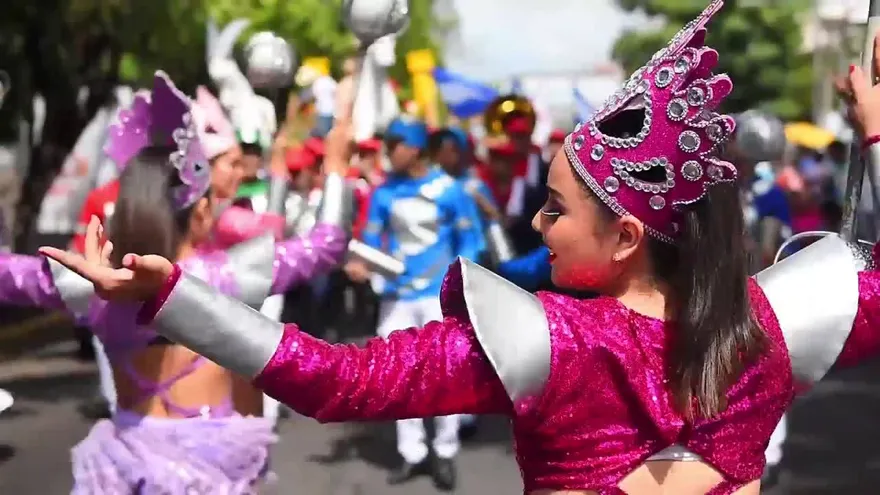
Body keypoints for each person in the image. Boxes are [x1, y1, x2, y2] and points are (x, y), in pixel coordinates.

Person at [40, 7, 880, 493]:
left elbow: (339, 381)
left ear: (626, 236)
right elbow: (870, 284)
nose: (539, 226)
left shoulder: (552, 342)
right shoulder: (766, 326)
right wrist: (874, 136)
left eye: (555, 209)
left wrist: (170, 294)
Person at [1, 72, 351, 493]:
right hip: (213, 464)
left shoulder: (93, 282)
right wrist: (335, 166)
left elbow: (6, 274)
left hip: (125, 462)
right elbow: (327, 244)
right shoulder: (226, 277)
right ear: (201, 212)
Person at [344, 117, 483, 490]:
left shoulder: (450, 191)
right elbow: (371, 240)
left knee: (448, 373)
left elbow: (471, 243)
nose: (389, 155)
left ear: (416, 148)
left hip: (440, 296)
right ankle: (412, 452)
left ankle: (445, 450)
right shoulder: (384, 193)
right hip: (397, 296)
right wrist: (362, 263)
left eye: (395, 147)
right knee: (398, 375)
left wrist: (460, 283)